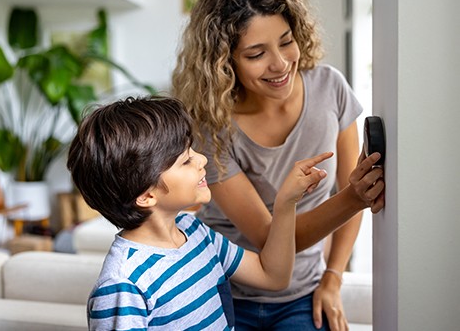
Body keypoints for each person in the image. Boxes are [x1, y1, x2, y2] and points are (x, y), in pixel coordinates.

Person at [172, 0, 384, 331]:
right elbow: (271, 240)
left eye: (286, 41)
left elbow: (353, 186)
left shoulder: (330, 88)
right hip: (222, 290)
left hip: (302, 292)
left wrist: (333, 278)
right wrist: (355, 197)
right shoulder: (211, 123)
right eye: (256, 54)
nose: (281, 63)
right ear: (225, 63)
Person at [66, 95, 334, 330]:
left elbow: (273, 276)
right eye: (186, 160)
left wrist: (286, 203)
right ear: (147, 195)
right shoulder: (122, 284)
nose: (203, 159)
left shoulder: (194, 231)